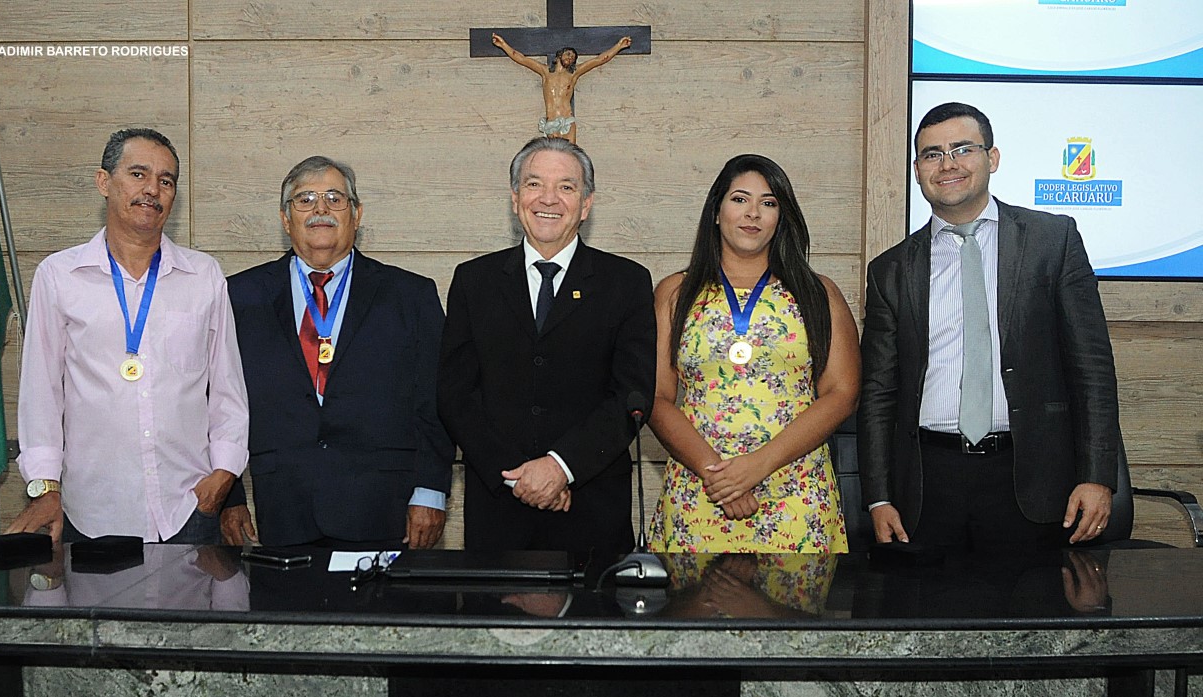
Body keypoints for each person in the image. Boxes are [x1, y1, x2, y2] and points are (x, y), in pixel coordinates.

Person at [859, 101, 1120, 550]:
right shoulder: (891, 270)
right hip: (925, 483)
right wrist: (878, 497)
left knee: (1035, 615)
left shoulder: (1051, 241)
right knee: (922, 618)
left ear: (992, 158)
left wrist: (1098, 477)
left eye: (962, 149)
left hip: (1033, 478)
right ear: (918, 171)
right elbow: (878, 393)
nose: (947, 164)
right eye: (931, 154)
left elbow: (1092, 369)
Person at [9, 128, 248, 543]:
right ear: (104, 182)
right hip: (90, 512)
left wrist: (223, 476)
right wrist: (45, 486)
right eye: (138, 174)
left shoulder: (203, 275)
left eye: (166, 180)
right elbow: (41, 393)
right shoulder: (60, 276)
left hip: (188, 508)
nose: (152, 189)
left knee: (191, 609)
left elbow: (228, 390)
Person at [437, 136, 656, 557]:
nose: (549, 199)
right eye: (535, 184)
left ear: (586, 204)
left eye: (567, 187)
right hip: (499, 509)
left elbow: (631, 394)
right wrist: (520, 479)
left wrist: (561, 467)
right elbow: (455, 393)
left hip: (591, 508)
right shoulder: (473, 281)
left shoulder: (625, 283)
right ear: (516, 197)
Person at [220, 156, 453, 549]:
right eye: (305, 199)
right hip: (279, 512)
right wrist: (230, 497)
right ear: (285, 218)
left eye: (334, 198)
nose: (320, 209)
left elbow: (435, 401)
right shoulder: (238, 296)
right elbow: (218, 402)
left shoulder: (410, 295)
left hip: (385, 509)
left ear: (357, 214)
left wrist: (431, 491)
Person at [647, 154, 859, 553]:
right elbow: (655, 397)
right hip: (702, 491)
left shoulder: (819, 293)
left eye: (768, 202)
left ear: (782, 217)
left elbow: (842, 393)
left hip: (795, 495)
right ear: (716, 211)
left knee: (789, 614)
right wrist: (722, 479)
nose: (753, 213)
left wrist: (757, 466)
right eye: (740, 199)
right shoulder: (675, 293)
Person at [491, 33, 632, 143]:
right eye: (568, 54)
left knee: (571, 155)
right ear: (559, 55)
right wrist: (503, 44)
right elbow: (521, 58)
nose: (570, 58)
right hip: (551, 121)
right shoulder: (545, 72)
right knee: (553, 157)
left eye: (573, 58)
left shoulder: (573, 74)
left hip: (567, 120)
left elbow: (599, 59)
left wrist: (619, 46)